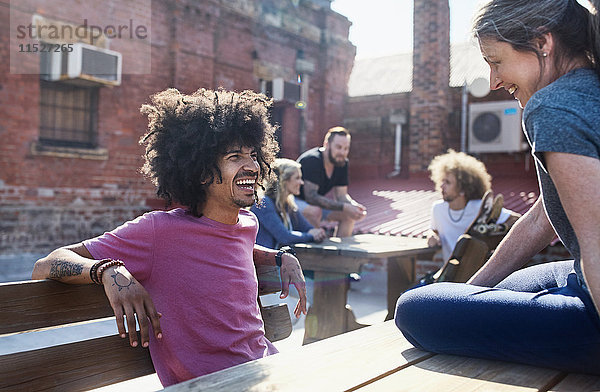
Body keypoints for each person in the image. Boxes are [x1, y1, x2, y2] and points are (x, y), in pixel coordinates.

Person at [31, 88, 307, 387]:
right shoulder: (157, 232)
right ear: (201, 171)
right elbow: (46, 264)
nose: (252, 166)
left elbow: (221, 248)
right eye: (235, 156)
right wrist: (107, 270)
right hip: (215, 384)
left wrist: (279, 257)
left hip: (265, 368)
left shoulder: (245, 223)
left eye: (254, 156)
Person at [396, 0, 600, 375]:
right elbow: (544, 216)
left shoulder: (552, 106)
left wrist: (447, 305)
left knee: (414, 308)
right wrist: (463, 295)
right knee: (493, 287)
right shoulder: (587, 88)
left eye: (496, 61)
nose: (493, 81)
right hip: (578, 275)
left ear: (543, 43)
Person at [426, 149, 520, 262]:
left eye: (448, 182)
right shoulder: (438, 209)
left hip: (479, 273)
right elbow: (434, 230)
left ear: (462, 189)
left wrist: (494, 229)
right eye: (442, 181)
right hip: (451, 273)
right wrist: (431, 236)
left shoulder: (480, 207)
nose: (441, 186)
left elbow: (517, 219)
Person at [296, 126, 367, 237]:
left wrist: (354, 207)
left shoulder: (341, 162)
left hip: (314, 205)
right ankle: (313, 251)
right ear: (327, 144)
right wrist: (345, 206)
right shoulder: (313, 160)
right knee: (314, 211)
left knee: (350, 215)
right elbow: (311, 197)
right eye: (338, 147)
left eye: (346, 148)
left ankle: (341, 252)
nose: (342, 152)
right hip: (291, 203)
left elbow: (341, 196)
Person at [251, 158, 327, 249]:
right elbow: (284, 237)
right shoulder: (263, 203)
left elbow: (306, 228)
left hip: (279, 260)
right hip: (264, 261)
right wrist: (311, 236)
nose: (301, 182)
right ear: (284, 180)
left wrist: (318, 232)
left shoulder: (287, 204)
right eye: (297, 178)